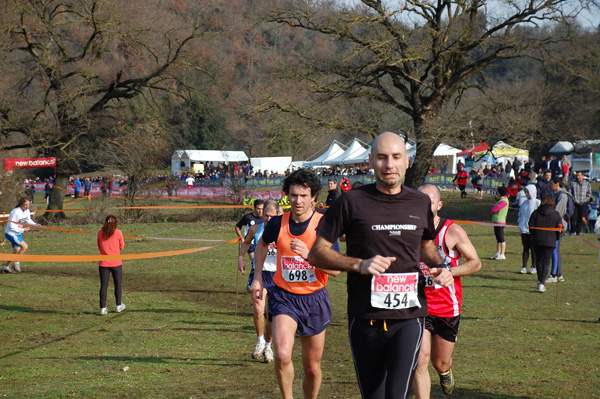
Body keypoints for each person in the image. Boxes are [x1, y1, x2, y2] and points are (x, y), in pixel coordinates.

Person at [307, 132, 453, 399]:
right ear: (371, 161)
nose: (389, 165)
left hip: (409, 316)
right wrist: (360, 264)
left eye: (396, 157)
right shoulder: (350, 202)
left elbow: (426, 245)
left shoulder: (419, 202)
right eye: (382, 157)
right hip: (365, 317)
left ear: (407, 161)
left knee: (397, 395)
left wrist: (441, 265)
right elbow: (317, 254)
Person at [249, 169, 339, 399]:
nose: (298, 201)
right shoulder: (278, 223)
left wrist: (310, 256)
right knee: (282, 354)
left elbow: (335, 270)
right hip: (284, 297)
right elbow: (261, 245)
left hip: (314, 299)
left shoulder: (324, 225)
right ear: (287, 196)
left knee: (312, 368)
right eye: (293, 195)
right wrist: (258, 276)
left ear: (314, 197)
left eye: (303, 195)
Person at [412, 184, 481, 398]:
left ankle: (446, 371)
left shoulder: (452, 231)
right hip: (417, 304)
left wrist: (451, 271)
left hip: (446, 307)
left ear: (439, 205)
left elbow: (476, 263)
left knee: (439, 362)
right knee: (420, 360)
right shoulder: (408, 229)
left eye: (429, 201)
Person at [238, 199, 283, 363]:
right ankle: (260, 342)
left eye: (272, 216)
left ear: (279, 215)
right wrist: (240, 258)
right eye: (266, 215)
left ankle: (269, 346)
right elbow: (246, 243)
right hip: (259, 274)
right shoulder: (256, 229)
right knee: (258, 309)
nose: (268, 219)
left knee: (272, 314)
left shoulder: (284, 230)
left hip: (277, 275)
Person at [529, 195, 562, 293]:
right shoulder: (556, 214)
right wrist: (556, 238)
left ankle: (540, 280)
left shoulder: (535, 213)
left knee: (539, 260)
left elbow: (531, 227)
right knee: (546, 262)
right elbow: (559, 230)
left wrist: (535, 236)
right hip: (550, 241)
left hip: (537, 240)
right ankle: (542, 283)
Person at [97, 215, 126, 315]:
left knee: (103, 286)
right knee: (117, 284)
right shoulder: (118, 233)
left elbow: (99, 246)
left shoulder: (100, 233)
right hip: (116, 263)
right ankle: (118, 305)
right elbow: (122, 246)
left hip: (103, 263)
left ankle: (103, 308)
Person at [3, 198, 40, 273]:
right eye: (26, 205)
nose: (27, 206)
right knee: (24, 246)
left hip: (17, 234)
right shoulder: (15, 212)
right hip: (11, 233)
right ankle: (16, 263)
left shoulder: (27, 211)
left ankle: (6, 267)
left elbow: (28, 220)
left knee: (16, 251)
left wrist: (35, 224)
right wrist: (23, 230)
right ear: (21, 204)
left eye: (28, 205)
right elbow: (11, 226)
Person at [549, 178, 571, 283]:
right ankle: (558, 273)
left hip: (559, 226)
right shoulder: (556, 194)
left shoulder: (562, 196)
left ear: (557, 184)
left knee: (554, 249)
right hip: (556, 225)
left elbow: (558, 213)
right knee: (555, 249)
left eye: (552, 183)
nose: (550, 185)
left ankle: (555, 274)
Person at [518, 186, 540, 274]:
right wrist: (520, 223)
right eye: (525, 192)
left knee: (533, 249)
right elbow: (521, 214)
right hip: (524, 229)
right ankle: (524, 266)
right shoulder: (524, 203)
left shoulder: (537, 203)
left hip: (533, 230)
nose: (526, 194)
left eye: (528, 192)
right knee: (525, 248)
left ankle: (534, 266)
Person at [570, 171, 591, 235]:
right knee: (573, 217)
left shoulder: (587, 184)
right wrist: (573, 199)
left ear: (582, 176)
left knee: (580, 217)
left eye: (579, 175)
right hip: (575, 202)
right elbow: (569, 191)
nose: (578, 177)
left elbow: (589, 194)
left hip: (583, 203)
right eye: (577, 175)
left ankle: (579, 231)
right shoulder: (573, 183)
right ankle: (573, 230)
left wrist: (585, 200)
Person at [491, 186, 509, 260]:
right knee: (498, 238)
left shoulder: (503, 201)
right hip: (497, 221)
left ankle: (502, 254)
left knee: (501, 239)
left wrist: (493, 209)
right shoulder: (501, 199)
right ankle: (498, 252)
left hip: (500, 221)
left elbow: (495, 209)